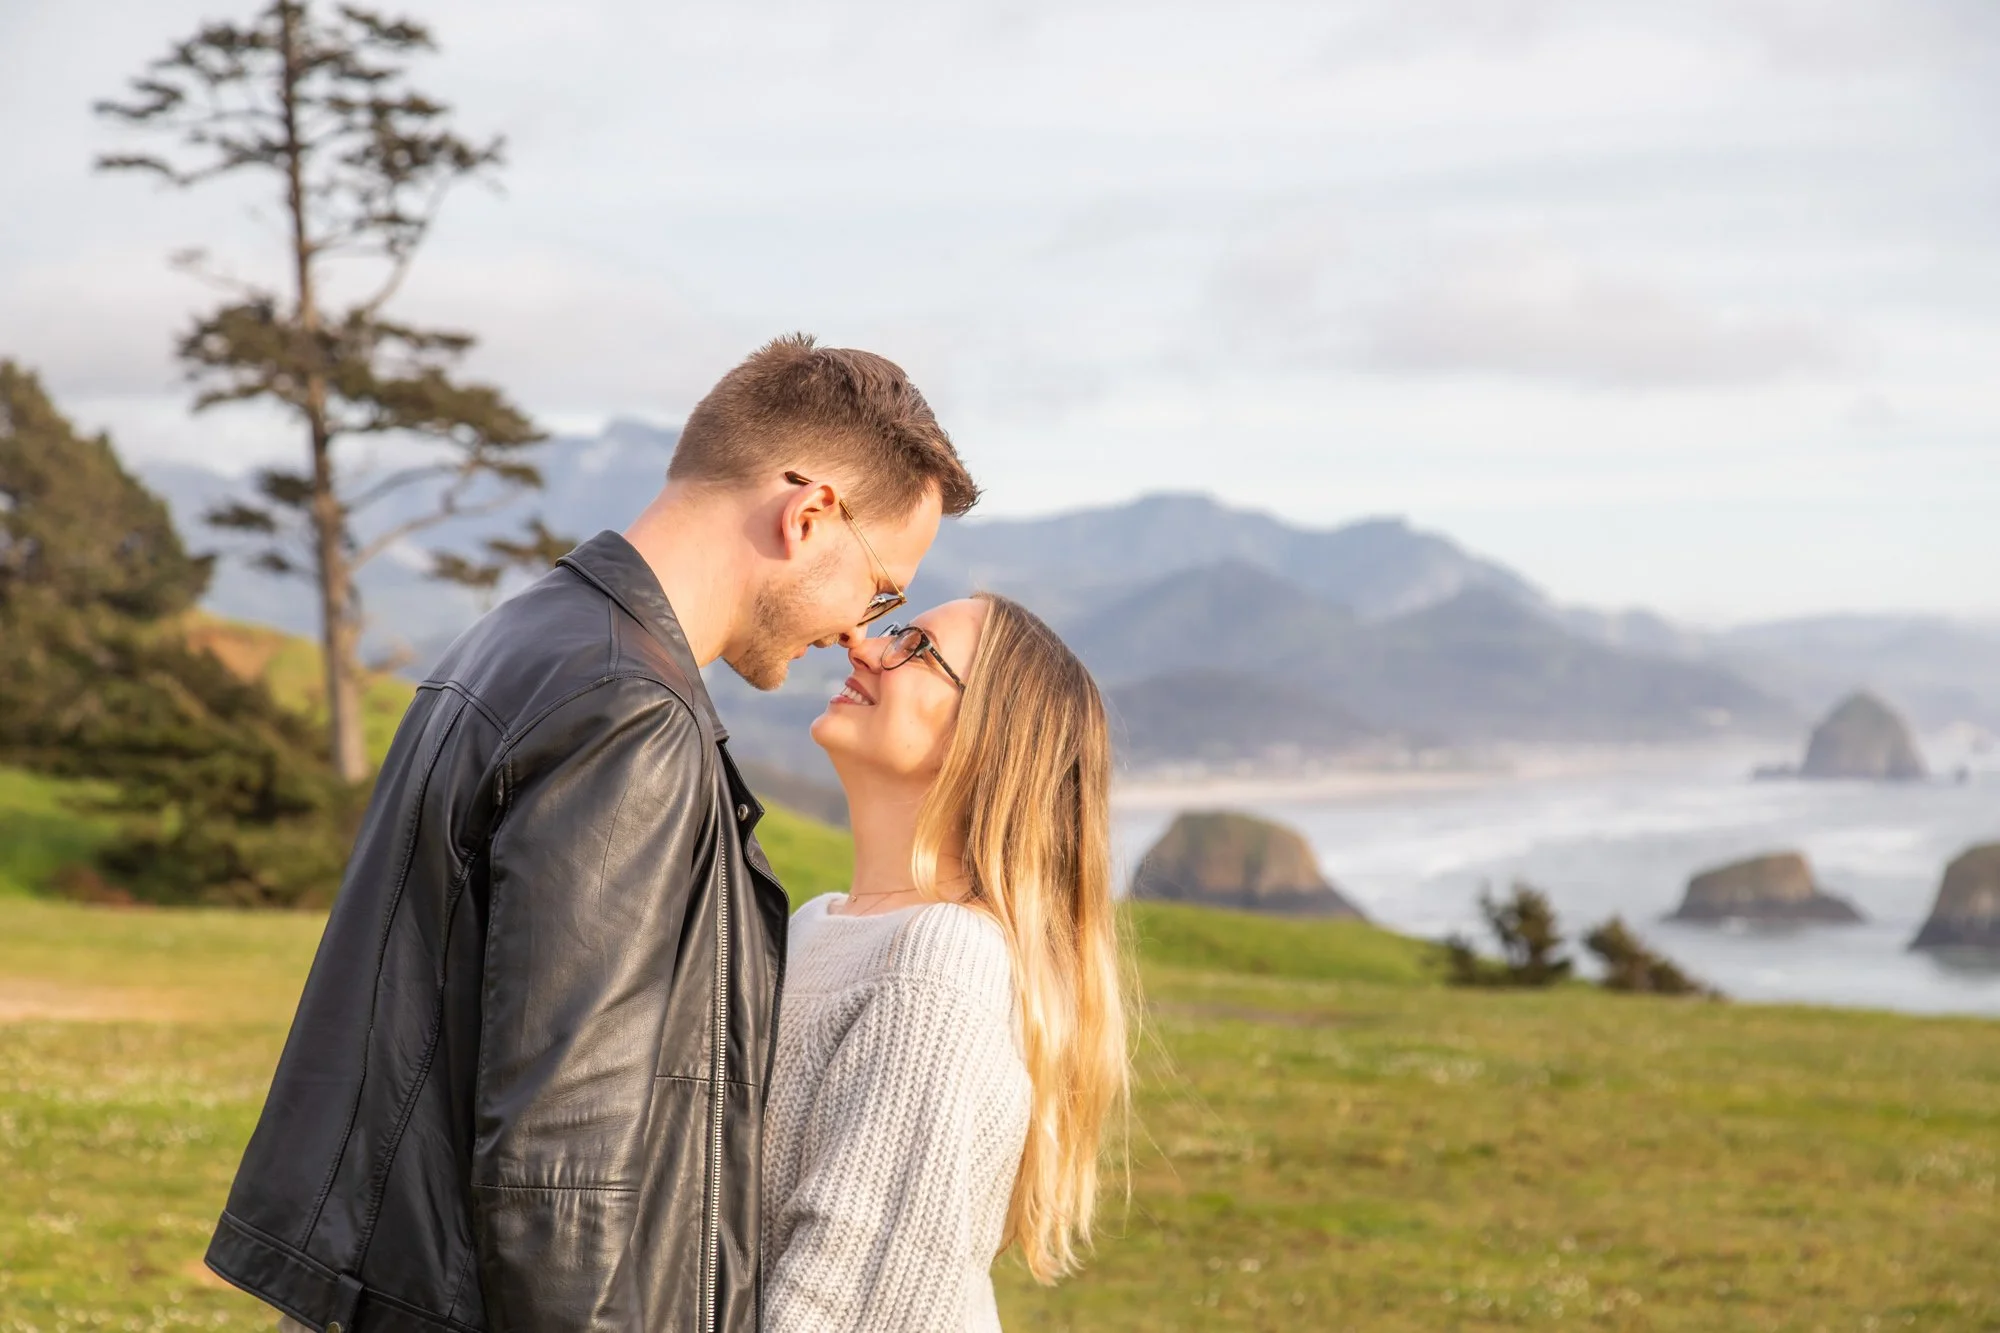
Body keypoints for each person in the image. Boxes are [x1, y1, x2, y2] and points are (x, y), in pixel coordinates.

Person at [203, 335, 978, 1333]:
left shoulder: (522, 637)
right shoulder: (629, 714)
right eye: (879, 589)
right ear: (807, 515)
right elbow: (559, 1161)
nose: (856, 632)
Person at [762, 595, 1131, 1332]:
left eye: (916, 647)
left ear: (989, 741)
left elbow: (847, 1298)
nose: (864, 646)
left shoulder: (939, 961)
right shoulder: (814, 924)